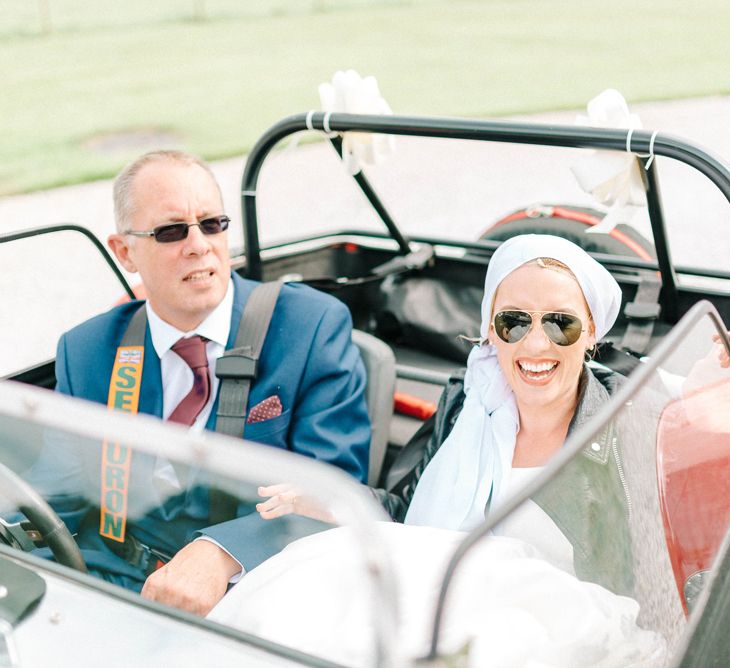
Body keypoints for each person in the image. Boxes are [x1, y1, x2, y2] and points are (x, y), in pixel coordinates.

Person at [44, 149, 371, 615]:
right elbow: (56, 500)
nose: (199, 245)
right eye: (172, 231)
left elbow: (333, 489)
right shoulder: (88, 350)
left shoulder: (307, 326)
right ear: (124, 252)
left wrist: (223, 554)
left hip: (258, 585)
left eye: (213, 224)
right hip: (112, 582)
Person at [257, 234, 634, 593]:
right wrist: (332, 499)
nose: (535, 344)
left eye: (560, 323)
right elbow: (408, 515)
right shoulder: (466, 403)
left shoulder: (627, 432)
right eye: (514, 322)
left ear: (592, 332)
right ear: (490, 328)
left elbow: (643, 583)